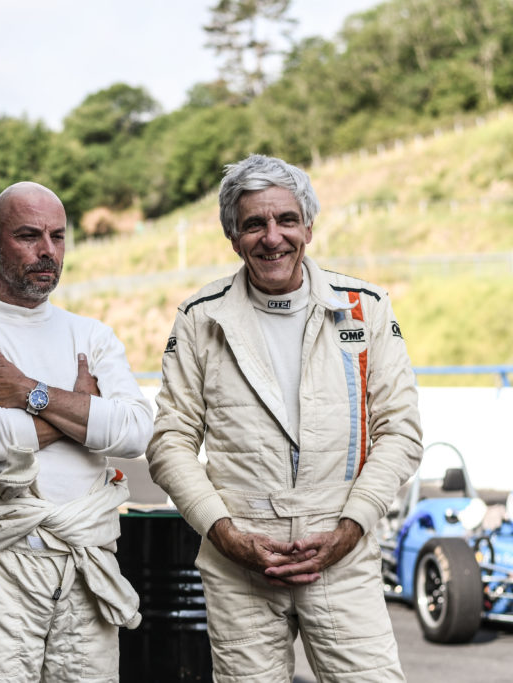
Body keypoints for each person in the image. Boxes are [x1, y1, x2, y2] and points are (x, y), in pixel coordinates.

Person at [147, 154, 423, 682]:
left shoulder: (365, 308)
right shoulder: (200, 317)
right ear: (233, 236)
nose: (272, 238)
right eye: (254, 224)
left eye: (286, 220)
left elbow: (401, 431)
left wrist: (349, 528)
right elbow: (169, 442)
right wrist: (225, 535)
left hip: (342, 555)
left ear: (309, 228)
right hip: (239, 565)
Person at [0, 181, 153, 682]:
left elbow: (135, 432)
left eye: (58, 236)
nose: (48, 251)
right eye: (28, 235)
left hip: (86, 559)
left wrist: (28, 392)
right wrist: (83, 412)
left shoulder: (91, 334)